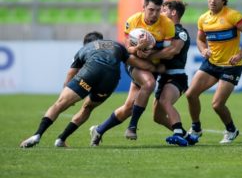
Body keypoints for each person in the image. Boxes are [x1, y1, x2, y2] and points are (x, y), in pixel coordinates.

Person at [20, 31, 161, 148]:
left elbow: (71, 73)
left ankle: (37, 134)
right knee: (87, 108)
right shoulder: (116, 45)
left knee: (60, 104)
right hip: (110, 79)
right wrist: (156, 67)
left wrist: (66, 90)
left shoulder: (84, 49)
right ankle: (61, 139)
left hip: (91, 71)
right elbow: (138, 63)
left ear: (86, 42)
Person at [89, 0, 176, 146]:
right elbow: (127, 48)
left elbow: (168, 53)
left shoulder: (167, 25)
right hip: (134, 62)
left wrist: (151, 51)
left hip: (152, 66)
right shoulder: (133, 21)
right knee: (149, 84)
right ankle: (132, 126)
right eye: (151, 10)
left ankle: (99, 130)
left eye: (157, 10)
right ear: (144, 7)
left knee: (129, 107)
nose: (154, 14)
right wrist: (138, 49)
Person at [185, 0, 242, 144]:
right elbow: (200, 39)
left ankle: (231, 130)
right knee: (190, 94)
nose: (212, 1)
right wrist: (203, 50)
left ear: (224, 0)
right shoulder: (203, 19)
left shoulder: (233, 16)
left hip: (231, 65)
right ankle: (196, 128)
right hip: (211, 64)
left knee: (217, 104)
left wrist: (240, 54)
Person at [149, 0, 198, 146]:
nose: (160, 13)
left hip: (176, 76)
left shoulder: (180, 32)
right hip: (164, 77)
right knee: (157, 117)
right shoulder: (165, 32)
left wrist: (149, 55)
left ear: (173, 12)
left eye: (163, 10)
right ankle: (186, 136)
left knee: (165, 101)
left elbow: (174, 50)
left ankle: (177, 133)